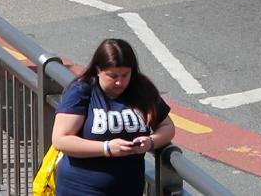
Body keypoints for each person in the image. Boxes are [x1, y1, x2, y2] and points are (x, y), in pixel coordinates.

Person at [50, 38, 175, 196]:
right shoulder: (81, 90)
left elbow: (167, 126)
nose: (119, 82)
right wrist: (106, 148)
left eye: (125, 75)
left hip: (128, 188)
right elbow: (61, 139)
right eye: (113, 76)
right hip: (81, 188)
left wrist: (151, 142)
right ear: (98, 70)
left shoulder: (142, 89)